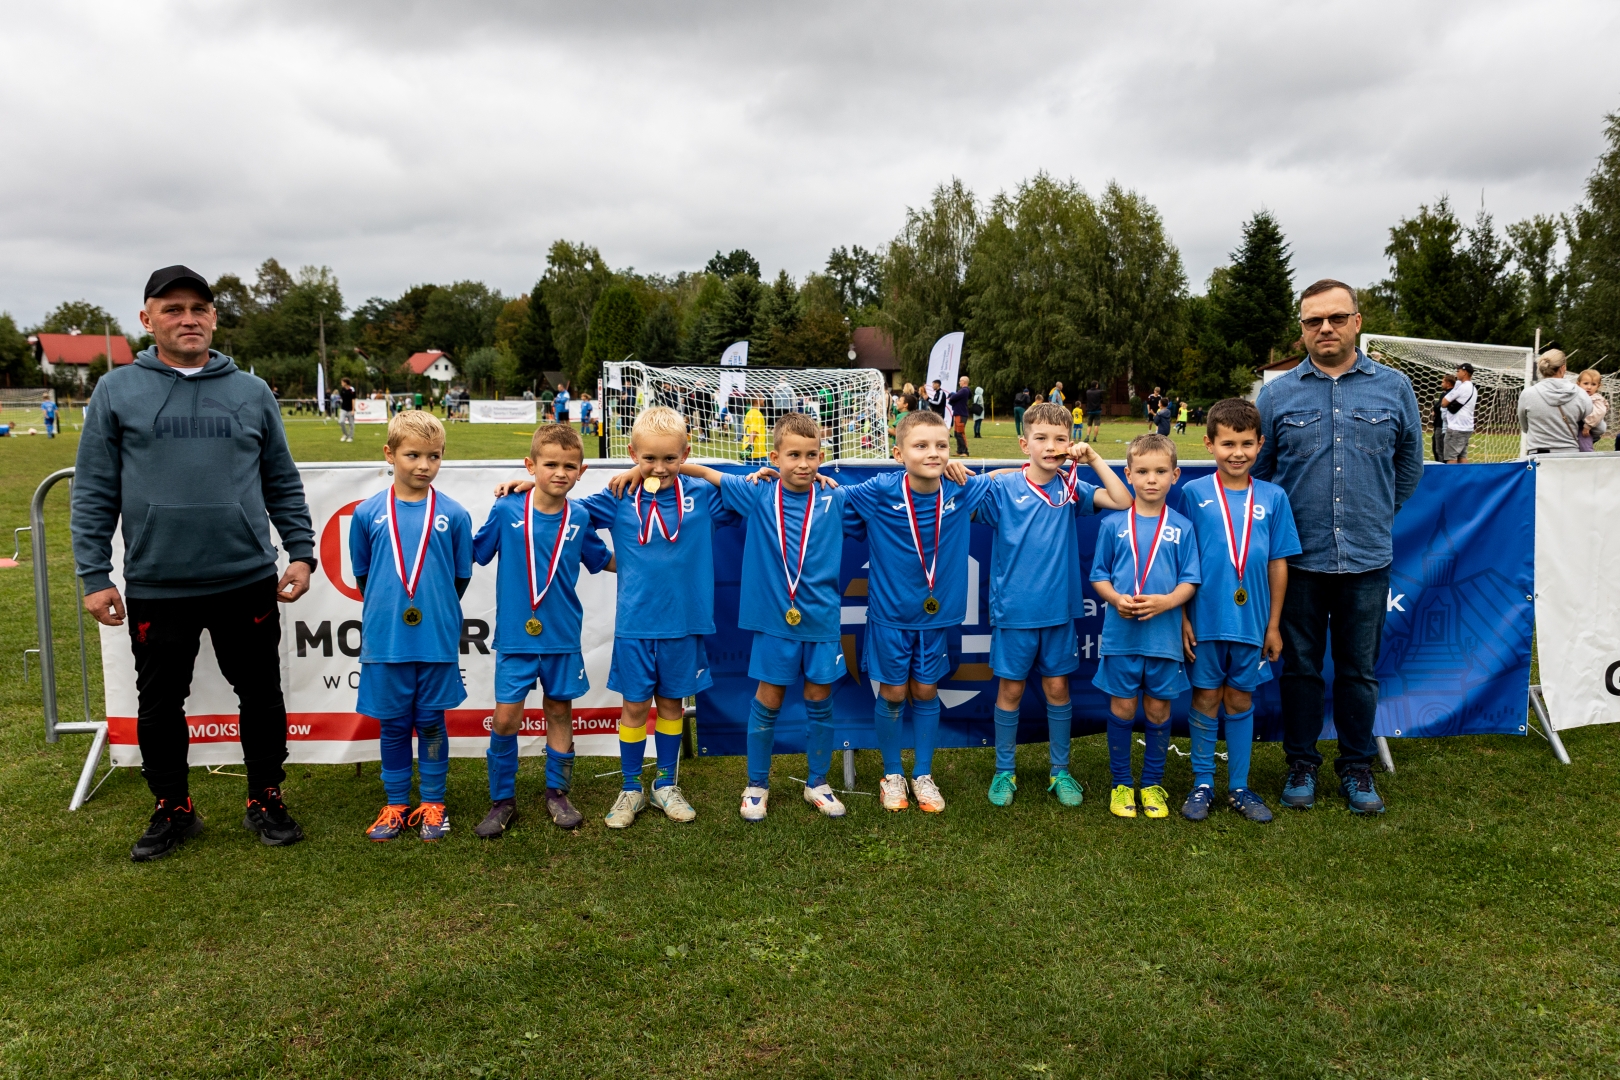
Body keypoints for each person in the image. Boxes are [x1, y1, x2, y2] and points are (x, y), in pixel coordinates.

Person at [74, 265, 316, 862]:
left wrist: (301, 552)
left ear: (213, 316)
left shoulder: (251, 392)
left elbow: (281, 480)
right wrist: (94, 575)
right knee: (159, 704)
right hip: (158, 583)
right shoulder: (116, 390)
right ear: (147, 318)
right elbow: (95, 489)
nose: (189, 319)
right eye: (173, 309)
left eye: (199, 308)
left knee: (260, 695)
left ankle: (265, 796)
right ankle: (173, 807)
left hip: (245, 577)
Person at [1255, 279, 1421, 815]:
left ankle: (1356, 767)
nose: (1324, 328)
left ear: (1357, 322)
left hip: (1367, 558)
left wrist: (1375, 515)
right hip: (1298, 560)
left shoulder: (1395, 388)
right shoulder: (1276, 395)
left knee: (1358, 671)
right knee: (1300, 668)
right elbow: (1261, 474)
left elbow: (1409, 465)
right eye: (1313, 321)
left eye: (1335, 318)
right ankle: (1301, 764)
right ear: (1302, 329)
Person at [645, 414, 851, 820]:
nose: (804, 464)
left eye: (812, 455)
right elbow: (703, 472)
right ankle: (756, 784)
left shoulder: (836, 497)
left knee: (819, 700)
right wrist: (642, 471)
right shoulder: (758, 493)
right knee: (768, 699)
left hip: (822, 622)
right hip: (774, 623)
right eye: (793, 455)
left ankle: (818, 782)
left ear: (822, 457)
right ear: (775, 458)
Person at [579, 407, 742, 828]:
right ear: (632, 453)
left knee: (671, 705)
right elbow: (568, 516)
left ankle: (666, 784)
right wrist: (605, 560)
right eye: (649, 458)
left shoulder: (701, 494)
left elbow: (749, 495)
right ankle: (630, 787)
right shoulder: (619, 495)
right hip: (635, 624)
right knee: (635, 707)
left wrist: (701, 471)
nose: (660, 467)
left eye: (670, 458)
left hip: (684, 624)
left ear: (685, 453)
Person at [974, 402, 1132, 808]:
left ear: (1069, 443)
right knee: (1010, 690)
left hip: (1059, 611)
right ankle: (1004, 770)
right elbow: (960, 499)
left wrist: (1093, 457)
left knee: (1058, 688)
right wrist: (995, 473)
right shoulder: (1004, 488)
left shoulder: (1071, 485)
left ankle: (1060, 770)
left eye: (1060, 438)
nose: (1050, 446)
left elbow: (1123, 501)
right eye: (1041, 438)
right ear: (1024, 444)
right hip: (1014, 611)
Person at [840, 410, 992, 814]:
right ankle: (892, 774)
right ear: (898, 454)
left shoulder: (960, 489)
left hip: (935, 620)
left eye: (941, 445)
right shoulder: (879, 490)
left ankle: (923, 773)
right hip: (890, 617)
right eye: (921, 445)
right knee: (892, 693)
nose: (933, 453)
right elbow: (830, 498)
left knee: (926, 691)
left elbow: (1013, 478)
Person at [472, 425, 615, 837]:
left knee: (558, 711)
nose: (560, 473)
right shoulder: (507, 509)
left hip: (562, 636)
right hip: (516, 637)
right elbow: (477, 552)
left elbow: (602, 559)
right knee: (505, 718)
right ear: (530, 465)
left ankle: (557, 793)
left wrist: (653, 563)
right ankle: (502, 800)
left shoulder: (580, 516)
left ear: (581, 471)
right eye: (550, 464)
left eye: (569, 466)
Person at [351, 411, 472, 842]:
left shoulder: (454, 514)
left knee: (432, 722)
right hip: (387, 641)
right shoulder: (367, 513)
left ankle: (434, 802)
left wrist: (433, 610)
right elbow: (364, 576)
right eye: (413, 455)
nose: (424, 465)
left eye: (434, 456)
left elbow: (460, 578)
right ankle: (397, 804)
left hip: (435, 639)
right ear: (390, 454)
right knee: (394, 724)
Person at [1177, 399, 1301, 824]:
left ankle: (1240, 786)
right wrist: (1182, 617)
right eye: (1228, 443)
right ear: (1209, 444)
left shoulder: (1274, 497)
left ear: (1260, 444)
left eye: (1247, 444)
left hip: (1252, 622)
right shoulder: (1193, 494)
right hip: (1205, 620)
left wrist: (1273, 625)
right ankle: (1202, 782)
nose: (1237, 453)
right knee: (1206, 696)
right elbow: (1181, 561)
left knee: (1240, 697)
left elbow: (1278, 563)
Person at [1089, 433, 1200, 820]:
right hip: (1121, 638)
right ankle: (1121, 784)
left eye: (1160, 471)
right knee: (1122, 707)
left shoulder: (1182, 527)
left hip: (1164, 638)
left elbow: (1190, 580)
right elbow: (1099, 575)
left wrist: (1167, 602)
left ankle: (1152, 783)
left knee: (1157, 710)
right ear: (1129, 475)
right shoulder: (1113, 524)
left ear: (1175, 475)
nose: (1151, 479)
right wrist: (1114, 598)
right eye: (1143, 472)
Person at [1518, 349, 1591, 455]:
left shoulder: (1527, 394)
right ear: (1563, 368)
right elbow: (1594, 424)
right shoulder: (1581, 394)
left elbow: (1525, 427)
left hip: (1538, 456)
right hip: (1570, 455)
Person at [1440, 363, 1477, 462]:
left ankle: (1451, 473)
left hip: (1456, 427)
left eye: (1458, 371)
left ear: (1464, 372)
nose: (1456, 373)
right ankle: (1466, 473)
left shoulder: (1462, 387)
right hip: (1467, 427)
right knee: (1462, 456)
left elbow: (1443, 403)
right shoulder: (1474, 388)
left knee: (1451, 457)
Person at [1576, 368, 1609, 451]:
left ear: (1598, 386)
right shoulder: (1577, 396)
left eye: (1593, 384)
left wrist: (1588, 426)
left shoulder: (1596, 398)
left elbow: (1599, 412)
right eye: (1585, 383)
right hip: (1577, 426)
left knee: (1585, 448)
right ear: (1578, 384)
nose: (1589, 387)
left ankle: (1589, 457)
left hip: (1586, 428)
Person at [1430, 374, 1454, 461]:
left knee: (1439, 449)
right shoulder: (1448, 393)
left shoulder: (1448, 394)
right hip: (1442, 424)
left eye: (1443, 382)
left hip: (1442, 424)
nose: (1441, 384)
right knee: (1439, 447)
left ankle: (1441, 466)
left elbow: (1438, 406)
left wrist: (1435, 410)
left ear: (1448, 383)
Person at [948, 375, 972, 455]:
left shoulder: (964, 390)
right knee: (956, 433)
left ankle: (965, 451)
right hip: (958, 413)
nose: (959, 382)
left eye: (960, 381)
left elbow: (953, 398)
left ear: (964, 382)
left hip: (961, 414)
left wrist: (952, 395)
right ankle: (959, 450)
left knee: (960, 433)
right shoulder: (964, 391)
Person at [743, 398, 769, 462]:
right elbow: (754, 431)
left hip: (747, 450)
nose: (764, 399)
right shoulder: (757, 414)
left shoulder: (749, 413)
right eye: (762, 398)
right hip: (757, 451)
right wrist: (750, 446)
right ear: (757, 400)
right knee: (766, 468)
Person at [338, 377, 357, 442]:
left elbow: (353, 399)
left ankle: (350, 437)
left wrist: (353, 409)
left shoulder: (352, 389)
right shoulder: (342, 389)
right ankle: (345, 434)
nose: (341, 383)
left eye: (342, 382)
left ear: (345, 383)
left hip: (350, 409)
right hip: (343, 408)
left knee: (351, 424)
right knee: (341, 421)